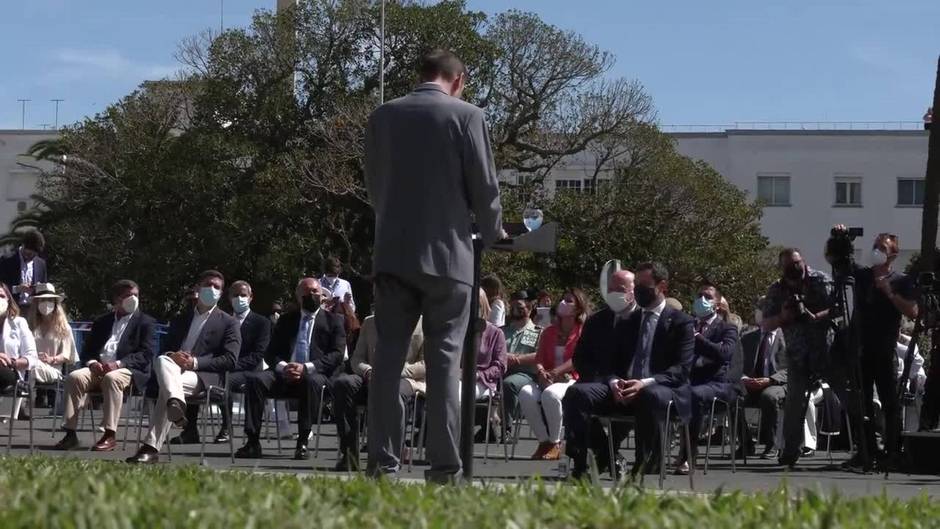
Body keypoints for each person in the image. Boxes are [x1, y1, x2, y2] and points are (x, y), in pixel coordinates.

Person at [364, 49, 503, 483]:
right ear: (458, 79)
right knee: (446, 364)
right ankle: (443, 469)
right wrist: (493, 232)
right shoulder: (468, 116)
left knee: (387, 362)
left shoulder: (383, 116)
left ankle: (382, 466)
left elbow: (373, 184)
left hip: (392, 253)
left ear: (421, 75)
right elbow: (485, 185)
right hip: (448, 258)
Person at [563, 262, 694, 478]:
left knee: (649, 395)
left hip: (660, 388)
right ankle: (584, 463)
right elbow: (610, 361)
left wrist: (644, 383)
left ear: (662, 286)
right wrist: (613, 380)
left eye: (645, 285)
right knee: (577, 393)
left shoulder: (681, 323)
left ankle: (643, 466)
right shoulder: (629, 321)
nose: (640, 291)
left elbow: (681, 370)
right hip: (624, 386)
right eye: (637, 285)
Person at [126, 271, 240, 464]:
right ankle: (174, 405)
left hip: (203, 377)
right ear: (197, 288)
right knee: (163, 360)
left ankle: (152, 446)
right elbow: (165, 350)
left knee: (167, 387)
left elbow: (230, 359)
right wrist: (174, 355)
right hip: (174, 371)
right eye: (208, 284)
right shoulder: (181, 320)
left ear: (221, 293)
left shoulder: (229, 322)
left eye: (217, 287)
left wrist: (194, 362)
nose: (212, 289)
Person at [828, 227, 918, 469]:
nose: (876, 251)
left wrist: (888, 291)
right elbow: (838, 263)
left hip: (885, 348)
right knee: (862, 401)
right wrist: (840, 239)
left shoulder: (901, 280)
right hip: (861, 348)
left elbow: (912, 311)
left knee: (890, 401)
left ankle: (892, 450)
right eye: (875, 246)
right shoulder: (863, 275)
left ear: (892, 255)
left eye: (882, 248)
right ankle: (866, 449)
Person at [235, 278, 346, 460]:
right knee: (255, 380)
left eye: (315, 292)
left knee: (311, 382)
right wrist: (284, 367)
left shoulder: (334, 321)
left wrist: (306, 368)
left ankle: (302, 441)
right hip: (285, 374)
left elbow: (336, 355)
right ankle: (252, 441)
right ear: (298, 296)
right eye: (307, 292)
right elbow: (270, 353)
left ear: (322, 296)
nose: (312, 296)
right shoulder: (286, 320)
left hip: (315, 375)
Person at [54, 280, 156, 451]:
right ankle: (70, 433)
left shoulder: (146, 322)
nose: (133, 299)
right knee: (74, 377)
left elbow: (146, 354)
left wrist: (118, 364)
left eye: (136, 295)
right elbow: (88, 350)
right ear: (116, 299)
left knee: (111, 378)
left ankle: (110, 435)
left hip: (127, 370)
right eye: (127, 296)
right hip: (99, 368)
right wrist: (92, 363)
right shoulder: (102, 321)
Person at [170, 280, 272, 445]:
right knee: (197, 374)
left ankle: (227, 427)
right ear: (229, 297)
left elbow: (258, 354)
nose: (239, 298)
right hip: (222, 366)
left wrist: (229, 365)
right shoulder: (223, 320)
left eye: (243, 295)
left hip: (248, 370)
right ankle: (190, 430)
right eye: (235, 295)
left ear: (251, 297)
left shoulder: (261, 322)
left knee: (226, 379)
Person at [759, 248, 834, 468]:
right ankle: (790, 451)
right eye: (790, 265)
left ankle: (866, 445)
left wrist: (814, 316)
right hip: (797, 352)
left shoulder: (820, 280)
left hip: (826, 348)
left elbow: (838, 308)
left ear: (804, 261)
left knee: (845, 394)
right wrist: (784, 316)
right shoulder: (777, 289)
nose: (795, 268)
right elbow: (766, 322)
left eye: (798, 263)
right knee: (794, 402)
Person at [332, 315, 425, 471]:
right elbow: (357, 358)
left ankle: (390, 456)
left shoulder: (423, 323)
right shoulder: (370, 322)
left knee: (393, 392)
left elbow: (425, 363)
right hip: (372, 374)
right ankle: (349, 455)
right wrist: (368, 371)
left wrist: (395, 371)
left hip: (405, 377)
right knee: (343, 384)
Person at [676, 282, 739, 474]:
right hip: (688, 380)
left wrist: (697, 338)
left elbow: (724, 354)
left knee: (693, 395)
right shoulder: (687, 325)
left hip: (717, 384)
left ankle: (688, 454)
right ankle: (652, 455)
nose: (702, 300)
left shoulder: (727, 328)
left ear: (718, 304)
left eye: (708, 297)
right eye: (699, 296)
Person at [518, 288, 587, 460]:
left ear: (578, 308)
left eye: (569, 300)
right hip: (546, 377)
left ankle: (556, 442)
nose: (564, 303)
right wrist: (541, 371)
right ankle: (544, 442)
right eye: (563, 299)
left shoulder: (582, 331)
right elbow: (539, 357)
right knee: (526, 393)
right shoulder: (549, 332)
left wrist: (556, 372)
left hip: (570, 379)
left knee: (550, 395)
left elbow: (578, 359)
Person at [737, 301, 788, 460]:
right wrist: (744, 379)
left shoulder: (788, 337)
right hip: (753, 383)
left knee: (769, 397)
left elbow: (792, 369)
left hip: (778, 384)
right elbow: (737, 365)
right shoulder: (748, 338)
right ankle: (745, 443)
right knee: (733, 397)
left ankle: (771, 445)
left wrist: (770, 380)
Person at [574, 270, 637, 383]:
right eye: (610, 289)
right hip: (600, 383)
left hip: (634, 385)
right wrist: (606, 379)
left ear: (634, 292)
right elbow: (580, 359)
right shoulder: (595, 321)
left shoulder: (645, 320)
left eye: (620, 289)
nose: (613, 293)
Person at [500, 291, 543, 430]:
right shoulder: (501, 331)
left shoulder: (538, 332)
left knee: (508, 384)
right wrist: (504, 356)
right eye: (512, 306)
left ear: (530, 308)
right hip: (500, 370)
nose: (514, 310)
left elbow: (540, 354)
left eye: (519, 306)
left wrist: (517, 359)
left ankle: (506, 427)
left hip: (525, 374)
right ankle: (486, 423)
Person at [28, 283, 77, 385]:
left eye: (50, 300)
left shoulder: (64, 328)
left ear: (55, 303)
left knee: (33, 370)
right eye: (42, 300)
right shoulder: (30, 326)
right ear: (36, 303)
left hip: (53, 371)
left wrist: (52, 359)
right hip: (30, 365)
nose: (46, 303)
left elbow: (67, 355)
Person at [0, 285, 37, 410]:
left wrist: (12, 362)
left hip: (10, 372)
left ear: (8, 300)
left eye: (1, 296)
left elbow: (32, 358)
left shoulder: (19, 323)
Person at [0, 230, 48, 311]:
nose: (31, 258)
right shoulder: (6, 261)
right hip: (11, 309)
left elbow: (44, 288)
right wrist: (17, 289)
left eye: (34, 255)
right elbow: (1, 286)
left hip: (33, 310)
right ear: (23, 246)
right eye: (29, 254)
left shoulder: (41, 264)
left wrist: (39, 288)